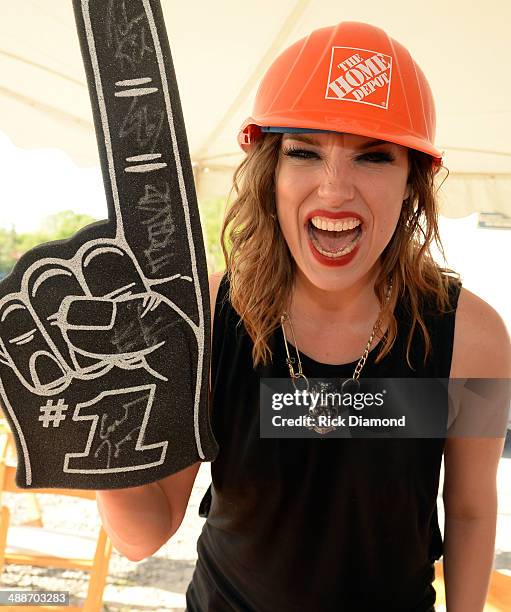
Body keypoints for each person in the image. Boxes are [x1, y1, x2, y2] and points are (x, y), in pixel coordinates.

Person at [95, 21, 510, 611]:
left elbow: (469, 511)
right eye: (303, 152)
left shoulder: (475, 336)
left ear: (412, 179)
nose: (335, 188)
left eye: (373, 156)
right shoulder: (205, 319)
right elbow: (143, 535)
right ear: (270, 172)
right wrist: (105, 428)